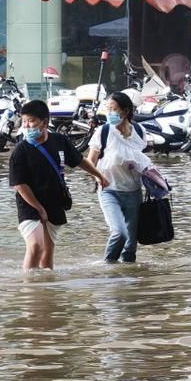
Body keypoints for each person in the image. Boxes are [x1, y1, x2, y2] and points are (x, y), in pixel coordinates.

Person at [9, 100, 108, 271]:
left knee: (47, 252)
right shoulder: (20, 151)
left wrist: (98, 175)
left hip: (55, 201)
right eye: (24, 121)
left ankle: (46, 293)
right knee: (35, 246)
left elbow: (79, 161)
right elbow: (19, 185)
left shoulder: (59, 141)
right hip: (29, 204)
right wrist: (39, 208)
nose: (27, 125)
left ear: (45, 122)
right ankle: (28, 289)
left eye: (31, 121)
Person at [88, 91, 151, 263]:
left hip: (133, 192)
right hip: (109, 191)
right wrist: (97, 176)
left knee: (130, 244)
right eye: (108, 109)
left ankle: (126, 282)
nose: (110, 113)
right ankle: (108, 266)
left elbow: (141, 161)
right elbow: (90, 160)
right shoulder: (103, 131)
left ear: (125, 111)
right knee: (119, 232)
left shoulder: (139, 131)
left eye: (113, 109)